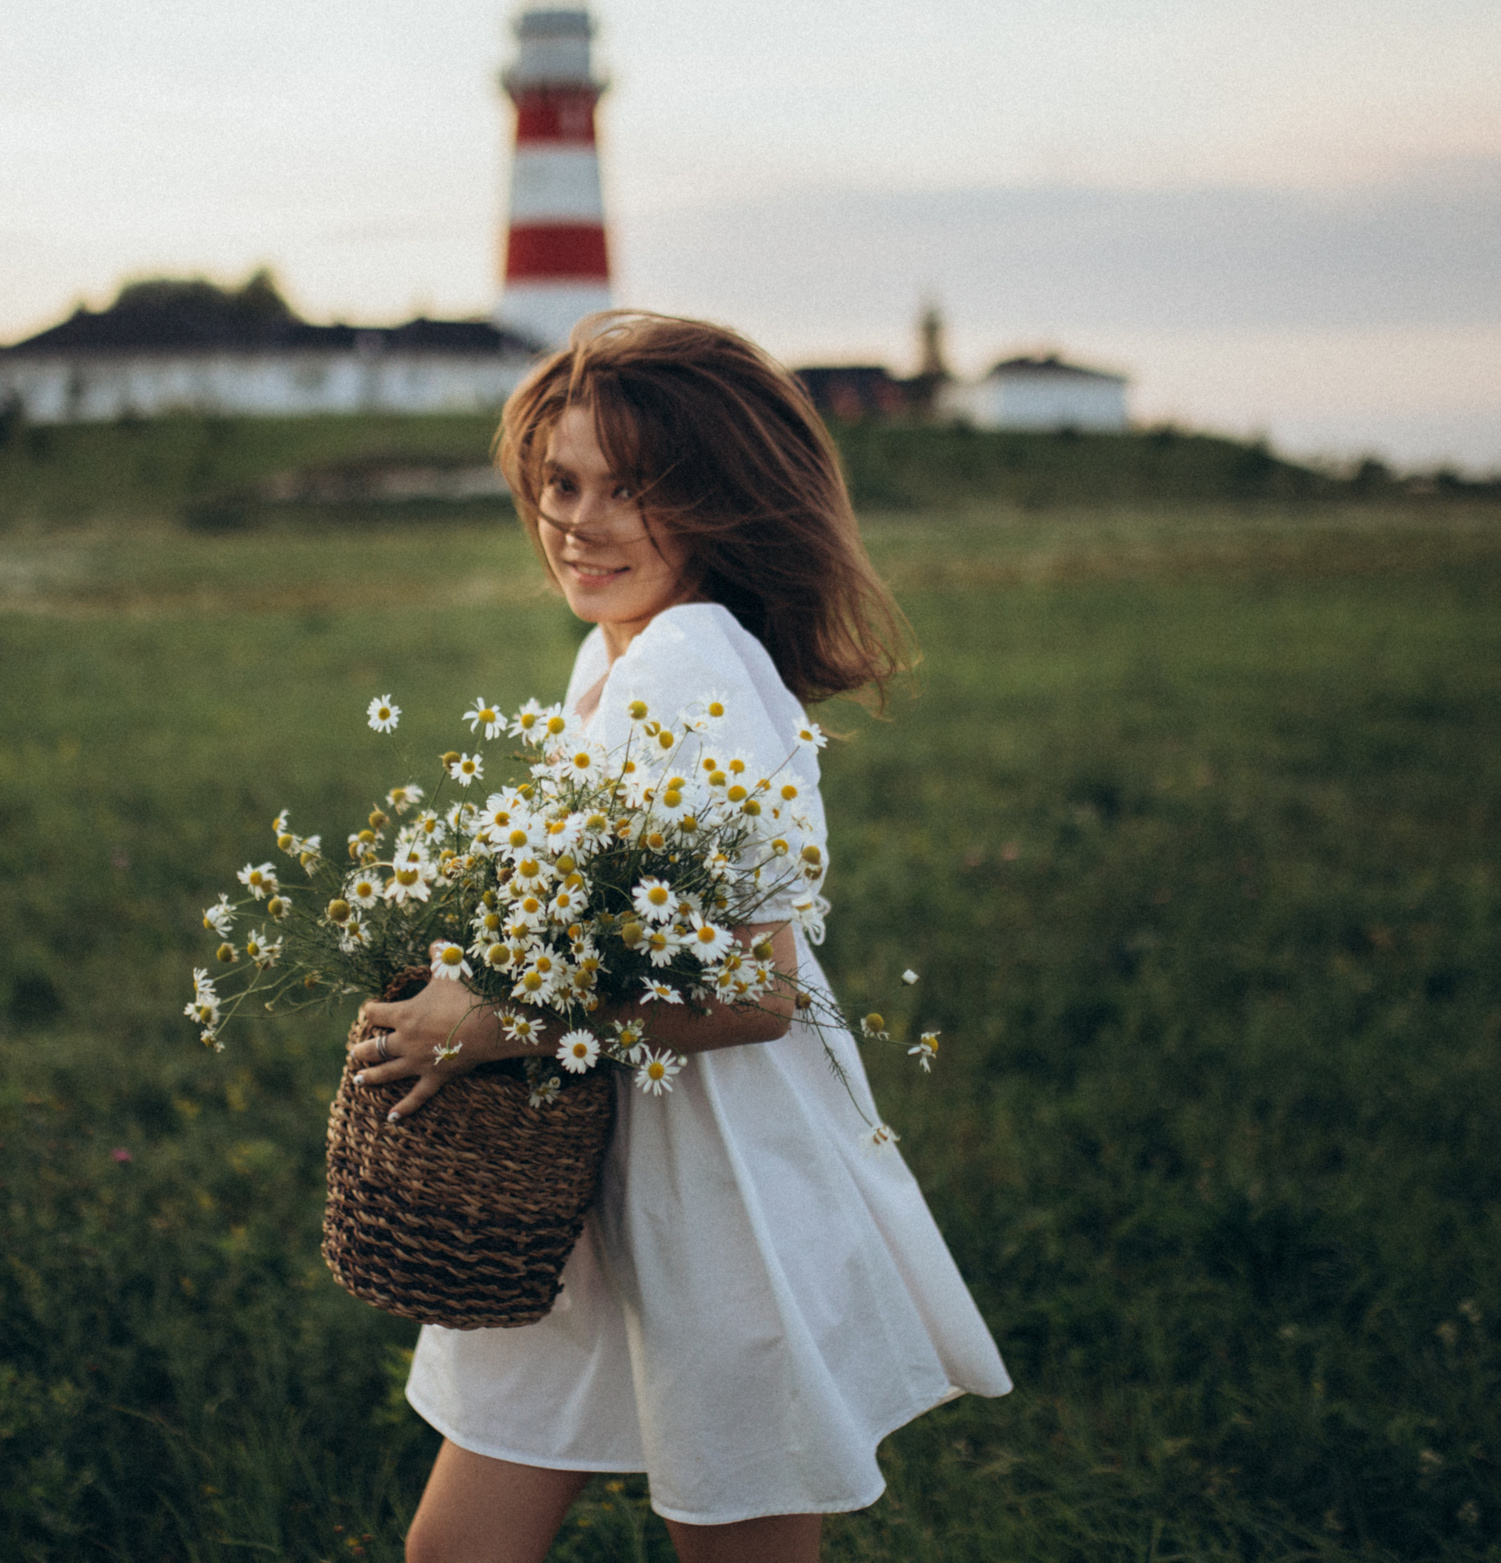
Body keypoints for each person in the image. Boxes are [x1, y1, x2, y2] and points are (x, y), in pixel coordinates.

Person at [345, 313, 1010, 1563]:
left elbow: (756, 995)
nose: (578, 523)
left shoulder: (688, 659)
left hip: (713, 1176)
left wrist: (495, 1022)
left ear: (722, 505)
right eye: (561, 482)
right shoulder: (615, 656)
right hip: (586, 1160)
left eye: (632, 491)